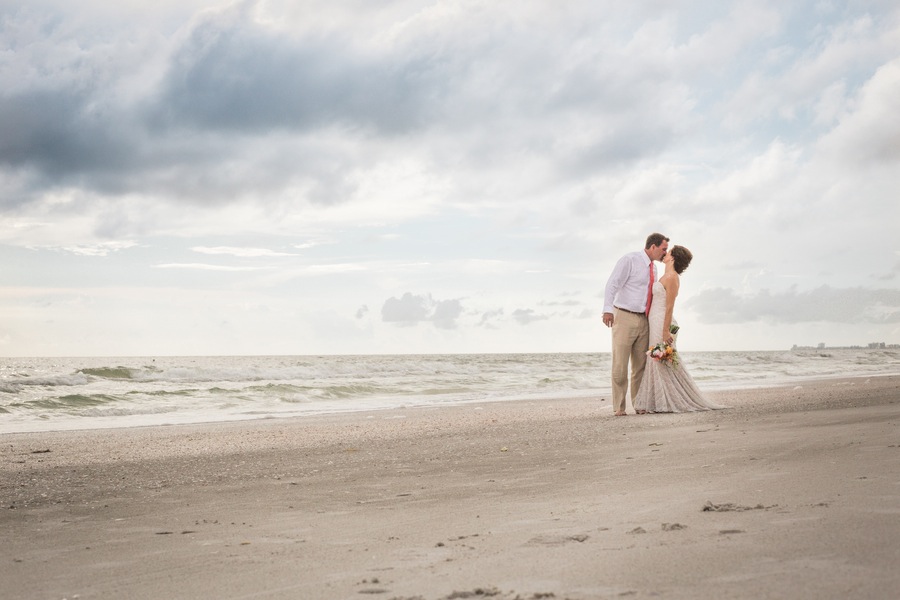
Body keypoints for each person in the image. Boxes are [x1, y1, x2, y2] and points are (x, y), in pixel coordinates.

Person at [633, 245, 726, 413]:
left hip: (663, 322)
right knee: (660, 359)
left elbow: (670, 307)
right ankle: (660, 401)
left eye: (668, 252)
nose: (665, 254)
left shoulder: (672, 277)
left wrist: (665, 331)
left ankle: (669, 401)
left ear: (673, 257)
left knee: (662, 359)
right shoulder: (665, 276)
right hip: (656, 320)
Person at [602, 233, 669, 416]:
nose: (665, 252)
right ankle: (619, 407)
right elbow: (612, 284)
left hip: (644, 319)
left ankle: (639, 404)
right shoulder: (629, 260)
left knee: (640, 366)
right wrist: (607, 309)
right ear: (653, 246)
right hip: (623, 316)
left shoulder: (654, 269)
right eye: (663, 249)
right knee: (620, 364)